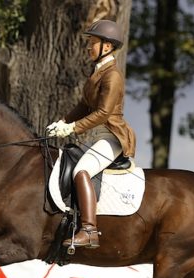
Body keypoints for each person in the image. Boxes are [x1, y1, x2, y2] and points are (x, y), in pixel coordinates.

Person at [47, 20, 136, 249]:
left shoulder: (112, 76)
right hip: (95, 136)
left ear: (107, 47)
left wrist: (73, 128)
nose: (89, 47)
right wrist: (63, 121)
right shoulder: (98, 72)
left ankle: (89, 230)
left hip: (111, 137)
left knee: (81, 170)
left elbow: (104, 113)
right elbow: (84, 106)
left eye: (93, 43)